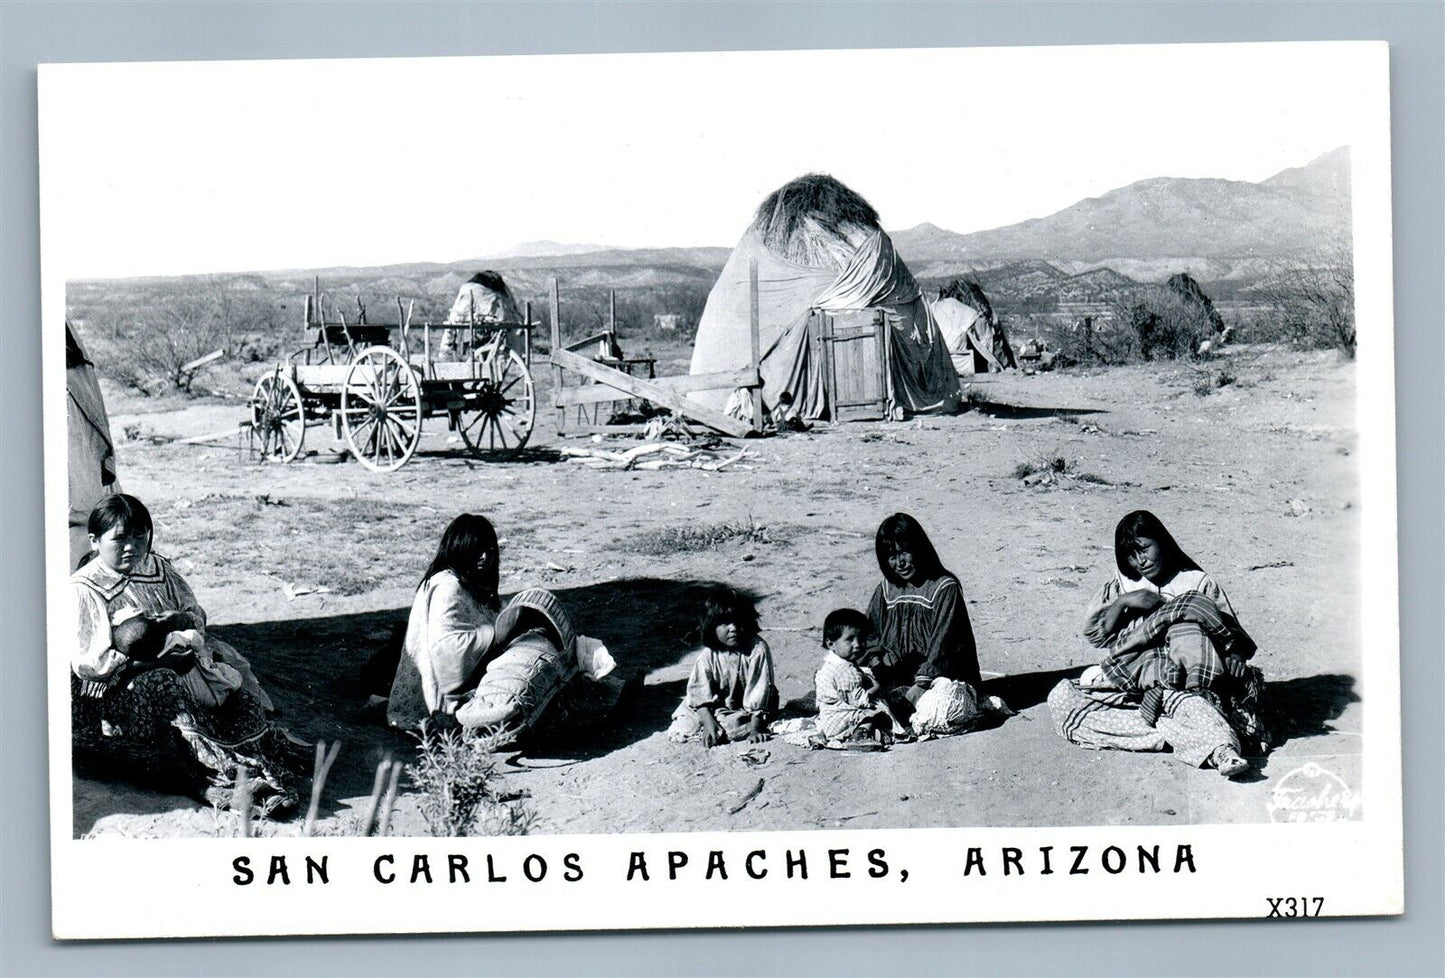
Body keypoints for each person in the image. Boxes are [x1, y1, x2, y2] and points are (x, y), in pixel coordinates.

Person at [71, 494, 306, 809]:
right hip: (115, 688)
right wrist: (154, 662)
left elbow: (194, 613)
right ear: (95, 541)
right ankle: (221, 775)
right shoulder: (84, 588)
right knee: (162, 685)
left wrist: (180, 625)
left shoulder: (157, 568)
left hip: (178, 662)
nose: (131, 546)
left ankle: (256, 764)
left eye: (139, 536)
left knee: (236, 691)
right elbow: (92, 666)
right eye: (119, 539)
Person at [1047, 510, 1267, 778]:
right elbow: (1097, 636)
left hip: (1191, 684)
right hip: (1138, 684)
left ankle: (1219, 747)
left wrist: (1232, 654)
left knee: (1190, 703)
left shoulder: (1196, 583)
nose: (1140, 561)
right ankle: (1176, 733)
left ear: (1163, 541)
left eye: (1145, 549)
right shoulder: (1126, 587)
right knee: (1062, 698)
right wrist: (1124, 602)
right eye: (1131, 555)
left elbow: (1230, 634)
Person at [386, 513, 504, 729]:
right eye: (477, 550)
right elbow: (446, 648)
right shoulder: (448, 586)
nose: (485, 557)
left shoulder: (469, 583)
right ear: (460, 548)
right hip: (445, 692)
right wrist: (495, 636)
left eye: (490, 551)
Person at [866, 513, 982, 717]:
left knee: (939, 709)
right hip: (896, 678)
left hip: (939, 678)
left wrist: (921, 684)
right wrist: (876, 665)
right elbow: (868, 634)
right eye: (892, 557)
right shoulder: (886, 589)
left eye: (904, 553)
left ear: (919, 549)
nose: (899, 563)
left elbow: (944, 645)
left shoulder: (944, 588)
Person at [668, 588, 778, 747]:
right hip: (713, 706)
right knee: (684, 724)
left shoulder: (757, 650)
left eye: (738, 621)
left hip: (747, 711)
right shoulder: (709, 655)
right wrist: (708, 722)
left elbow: (759, 695)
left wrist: (755, 729)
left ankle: (730, 727)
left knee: (732, 726)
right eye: (725, 623)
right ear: (712, 626)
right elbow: (698, 693)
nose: (733, 628)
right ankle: (712, 726)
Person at [814, 608, 897, 744]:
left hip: (830, 717)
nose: (857, 645)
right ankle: (860, 735)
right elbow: (860, 700)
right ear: (831, 644)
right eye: (850, 640)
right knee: (877, 713)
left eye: (861, 638)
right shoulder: (844, 671)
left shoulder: (832, 663)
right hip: (840, 721)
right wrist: (876, 687)